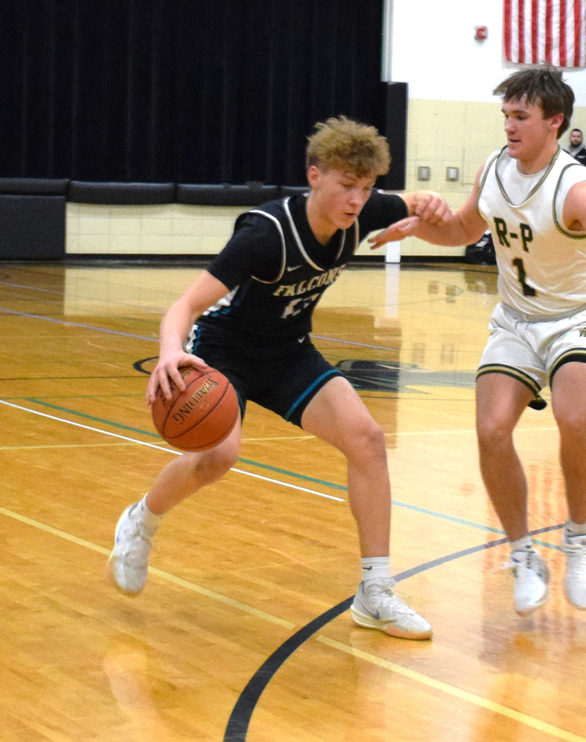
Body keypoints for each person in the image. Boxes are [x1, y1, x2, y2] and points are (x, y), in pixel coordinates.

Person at [107, 116, 452, 641]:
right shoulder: (264, 235)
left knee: (368, 440)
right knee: (218, 457)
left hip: (288, 350)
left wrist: (428, 211)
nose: (357, 200)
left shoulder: (364, 209)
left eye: (365, 188)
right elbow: (185, 305)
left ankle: (375, 591)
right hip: (226, 351)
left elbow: (424, 203)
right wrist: (170, 351)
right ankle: (141, 521)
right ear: (314, 176)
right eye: (345, 185)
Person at [371, 66, 586, 616]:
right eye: (505, 116)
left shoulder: (578, 188)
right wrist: (417, 226)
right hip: (515, 322)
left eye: (521, 117)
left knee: (574, 418)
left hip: (573, 320)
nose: (509, 127)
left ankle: (580, 535)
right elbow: (462, 230)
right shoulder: (495, 168)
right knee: (492, 429)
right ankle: (523, 553)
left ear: (554, 121)